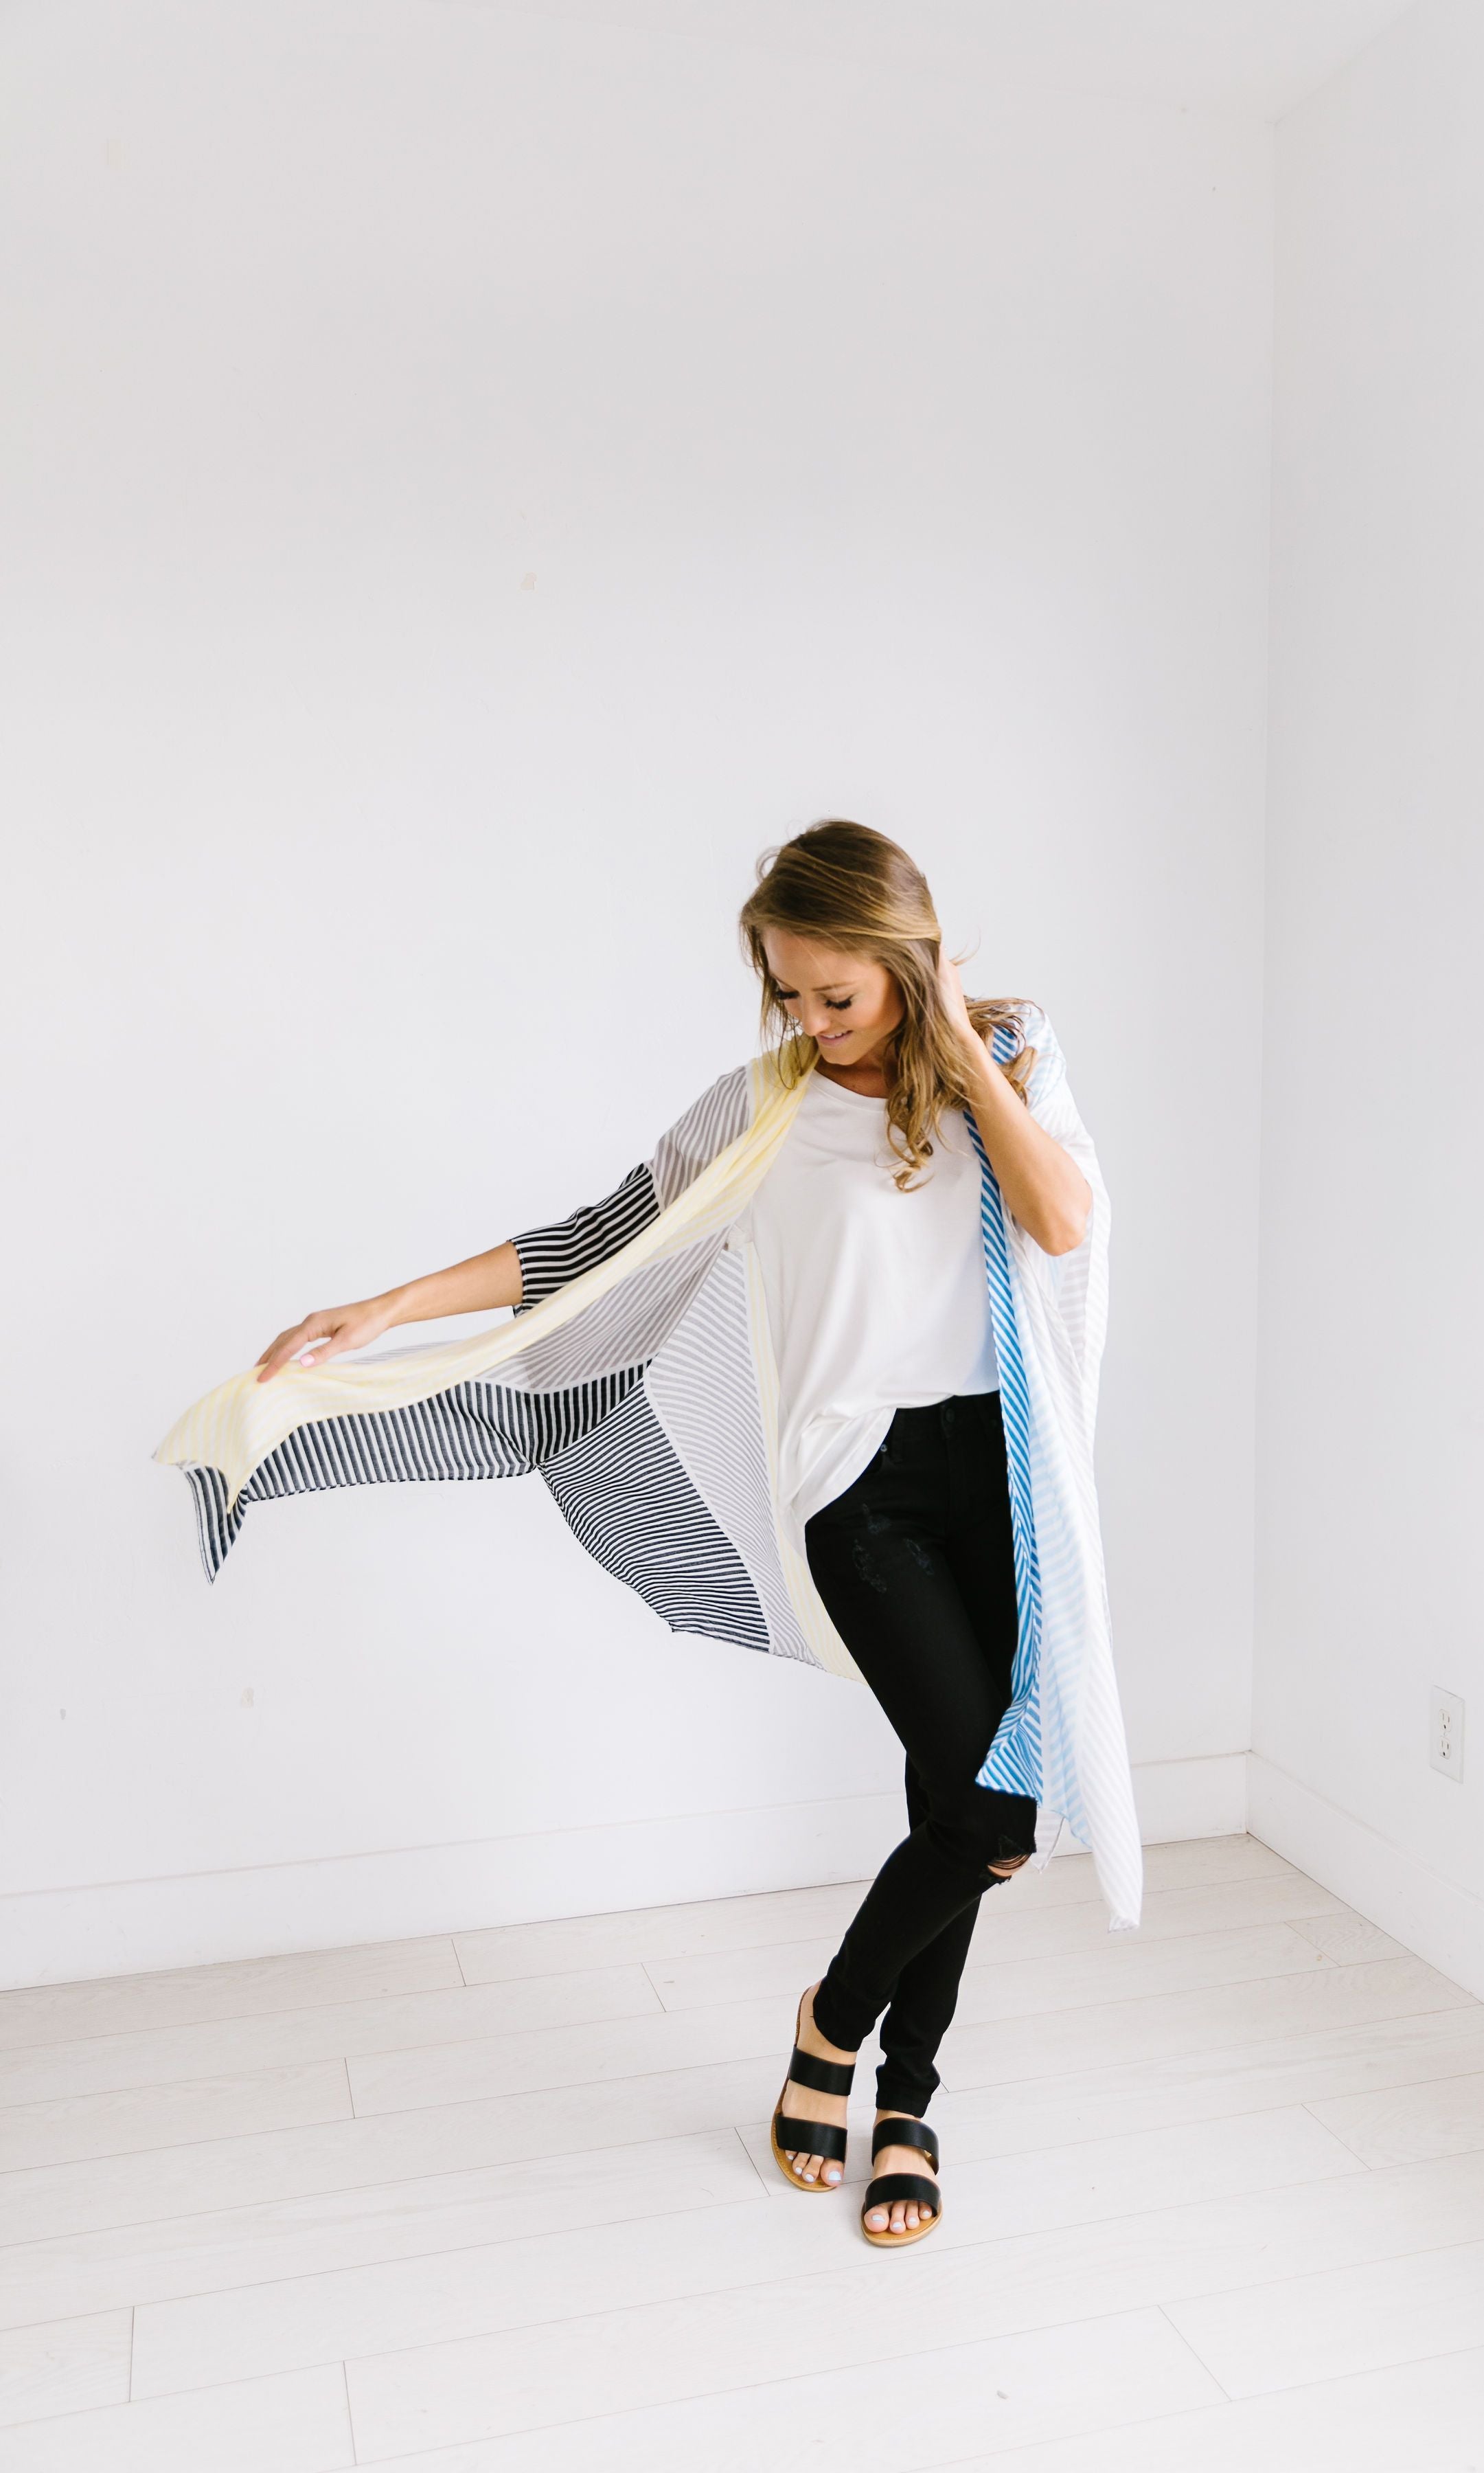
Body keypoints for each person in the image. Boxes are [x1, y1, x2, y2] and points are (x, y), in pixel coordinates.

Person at [158, 819, 1141, 2249]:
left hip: (996, 1470)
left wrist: (954, 1046)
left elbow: (1061, 1221)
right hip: (855, 1479)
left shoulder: (1021, 1051)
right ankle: (834, 2029)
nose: (809, 1023)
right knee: (991, 1814)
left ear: (908, 964)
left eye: (839, 995)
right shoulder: (759, 1108)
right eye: (788, 995)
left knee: (961, 1799)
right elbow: (587, 1244)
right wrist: (383, 1309)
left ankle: (907, 2100)